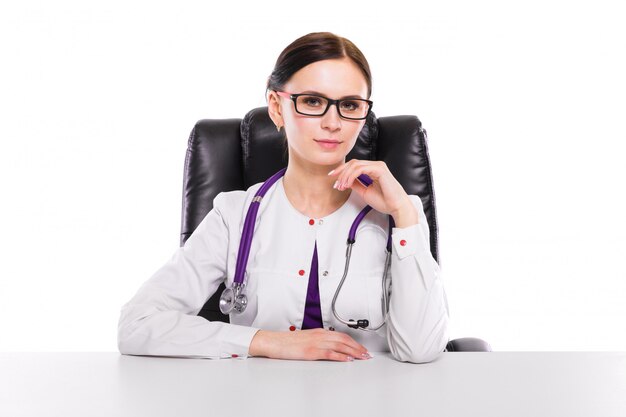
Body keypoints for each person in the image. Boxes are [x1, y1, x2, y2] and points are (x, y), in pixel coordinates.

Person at [117, 32, 449, 363]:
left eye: (349, 105)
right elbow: (137, 324)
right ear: (277, 107)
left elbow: (420, 350)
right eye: (313, 102)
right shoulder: (235, 216)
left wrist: (403, 214)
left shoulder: (401, 215)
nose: (333, 123)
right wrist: (266, 342)